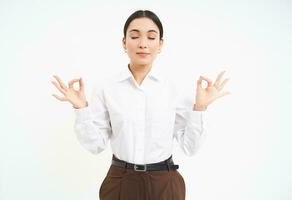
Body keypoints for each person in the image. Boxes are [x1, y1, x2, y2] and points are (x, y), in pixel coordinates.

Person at [51, 9, 230, 200]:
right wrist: (81, 108)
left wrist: (200, 108)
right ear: (124, 42)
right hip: (120, 181)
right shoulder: (107, 88)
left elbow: (190, 148)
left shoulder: (173, 88)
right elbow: (95, 145)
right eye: (135, 36)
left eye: (151, 37)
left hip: (165, 182)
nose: (143, 44)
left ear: (160, 44)